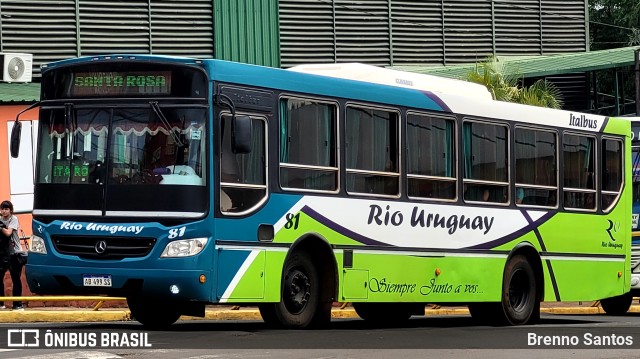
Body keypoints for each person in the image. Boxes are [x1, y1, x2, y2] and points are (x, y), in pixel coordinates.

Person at [0, 200, 26, 311]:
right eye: (2, 209)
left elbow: (8, 233)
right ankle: (1, 303)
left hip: (15, 253)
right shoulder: (0, 220)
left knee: (16, 278)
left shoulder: (13, 219)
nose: (4, 211)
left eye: (6, 209)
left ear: (11, 210)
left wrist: (1, 227)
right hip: (3, 253)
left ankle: (18, 304)